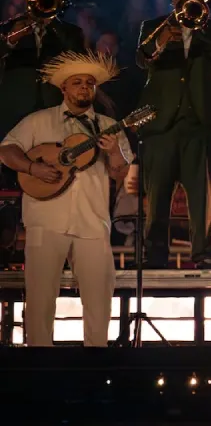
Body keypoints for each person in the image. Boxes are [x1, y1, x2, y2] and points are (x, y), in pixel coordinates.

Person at [0, 52, 132, 346]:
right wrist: (33, 167)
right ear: (64, 89)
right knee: (39, 298)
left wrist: (113, 151)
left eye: (89, 83)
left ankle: (96, 364)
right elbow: (6, 150)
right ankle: (38, 363)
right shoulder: (38, 121)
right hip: (45, 221)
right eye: (77, 83)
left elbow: (120, 174)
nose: (84, 88)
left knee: (99, 299)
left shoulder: (109, 125)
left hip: (93, 223)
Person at [136, 0, 211, 269]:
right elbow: (142, 59)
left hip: (200, 122)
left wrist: (201, 28)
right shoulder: (153, 26)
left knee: (201, 196)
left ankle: (203, 254)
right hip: (161, 123)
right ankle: (154, 255)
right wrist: (162, 40)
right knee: (157, 197)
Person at [0, 0, 86, 141]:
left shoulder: (70, 32)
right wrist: (11, 40)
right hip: (14, 110)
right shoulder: (8, 28)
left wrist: (53, 24)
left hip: (53, 110)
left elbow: (78, 63)